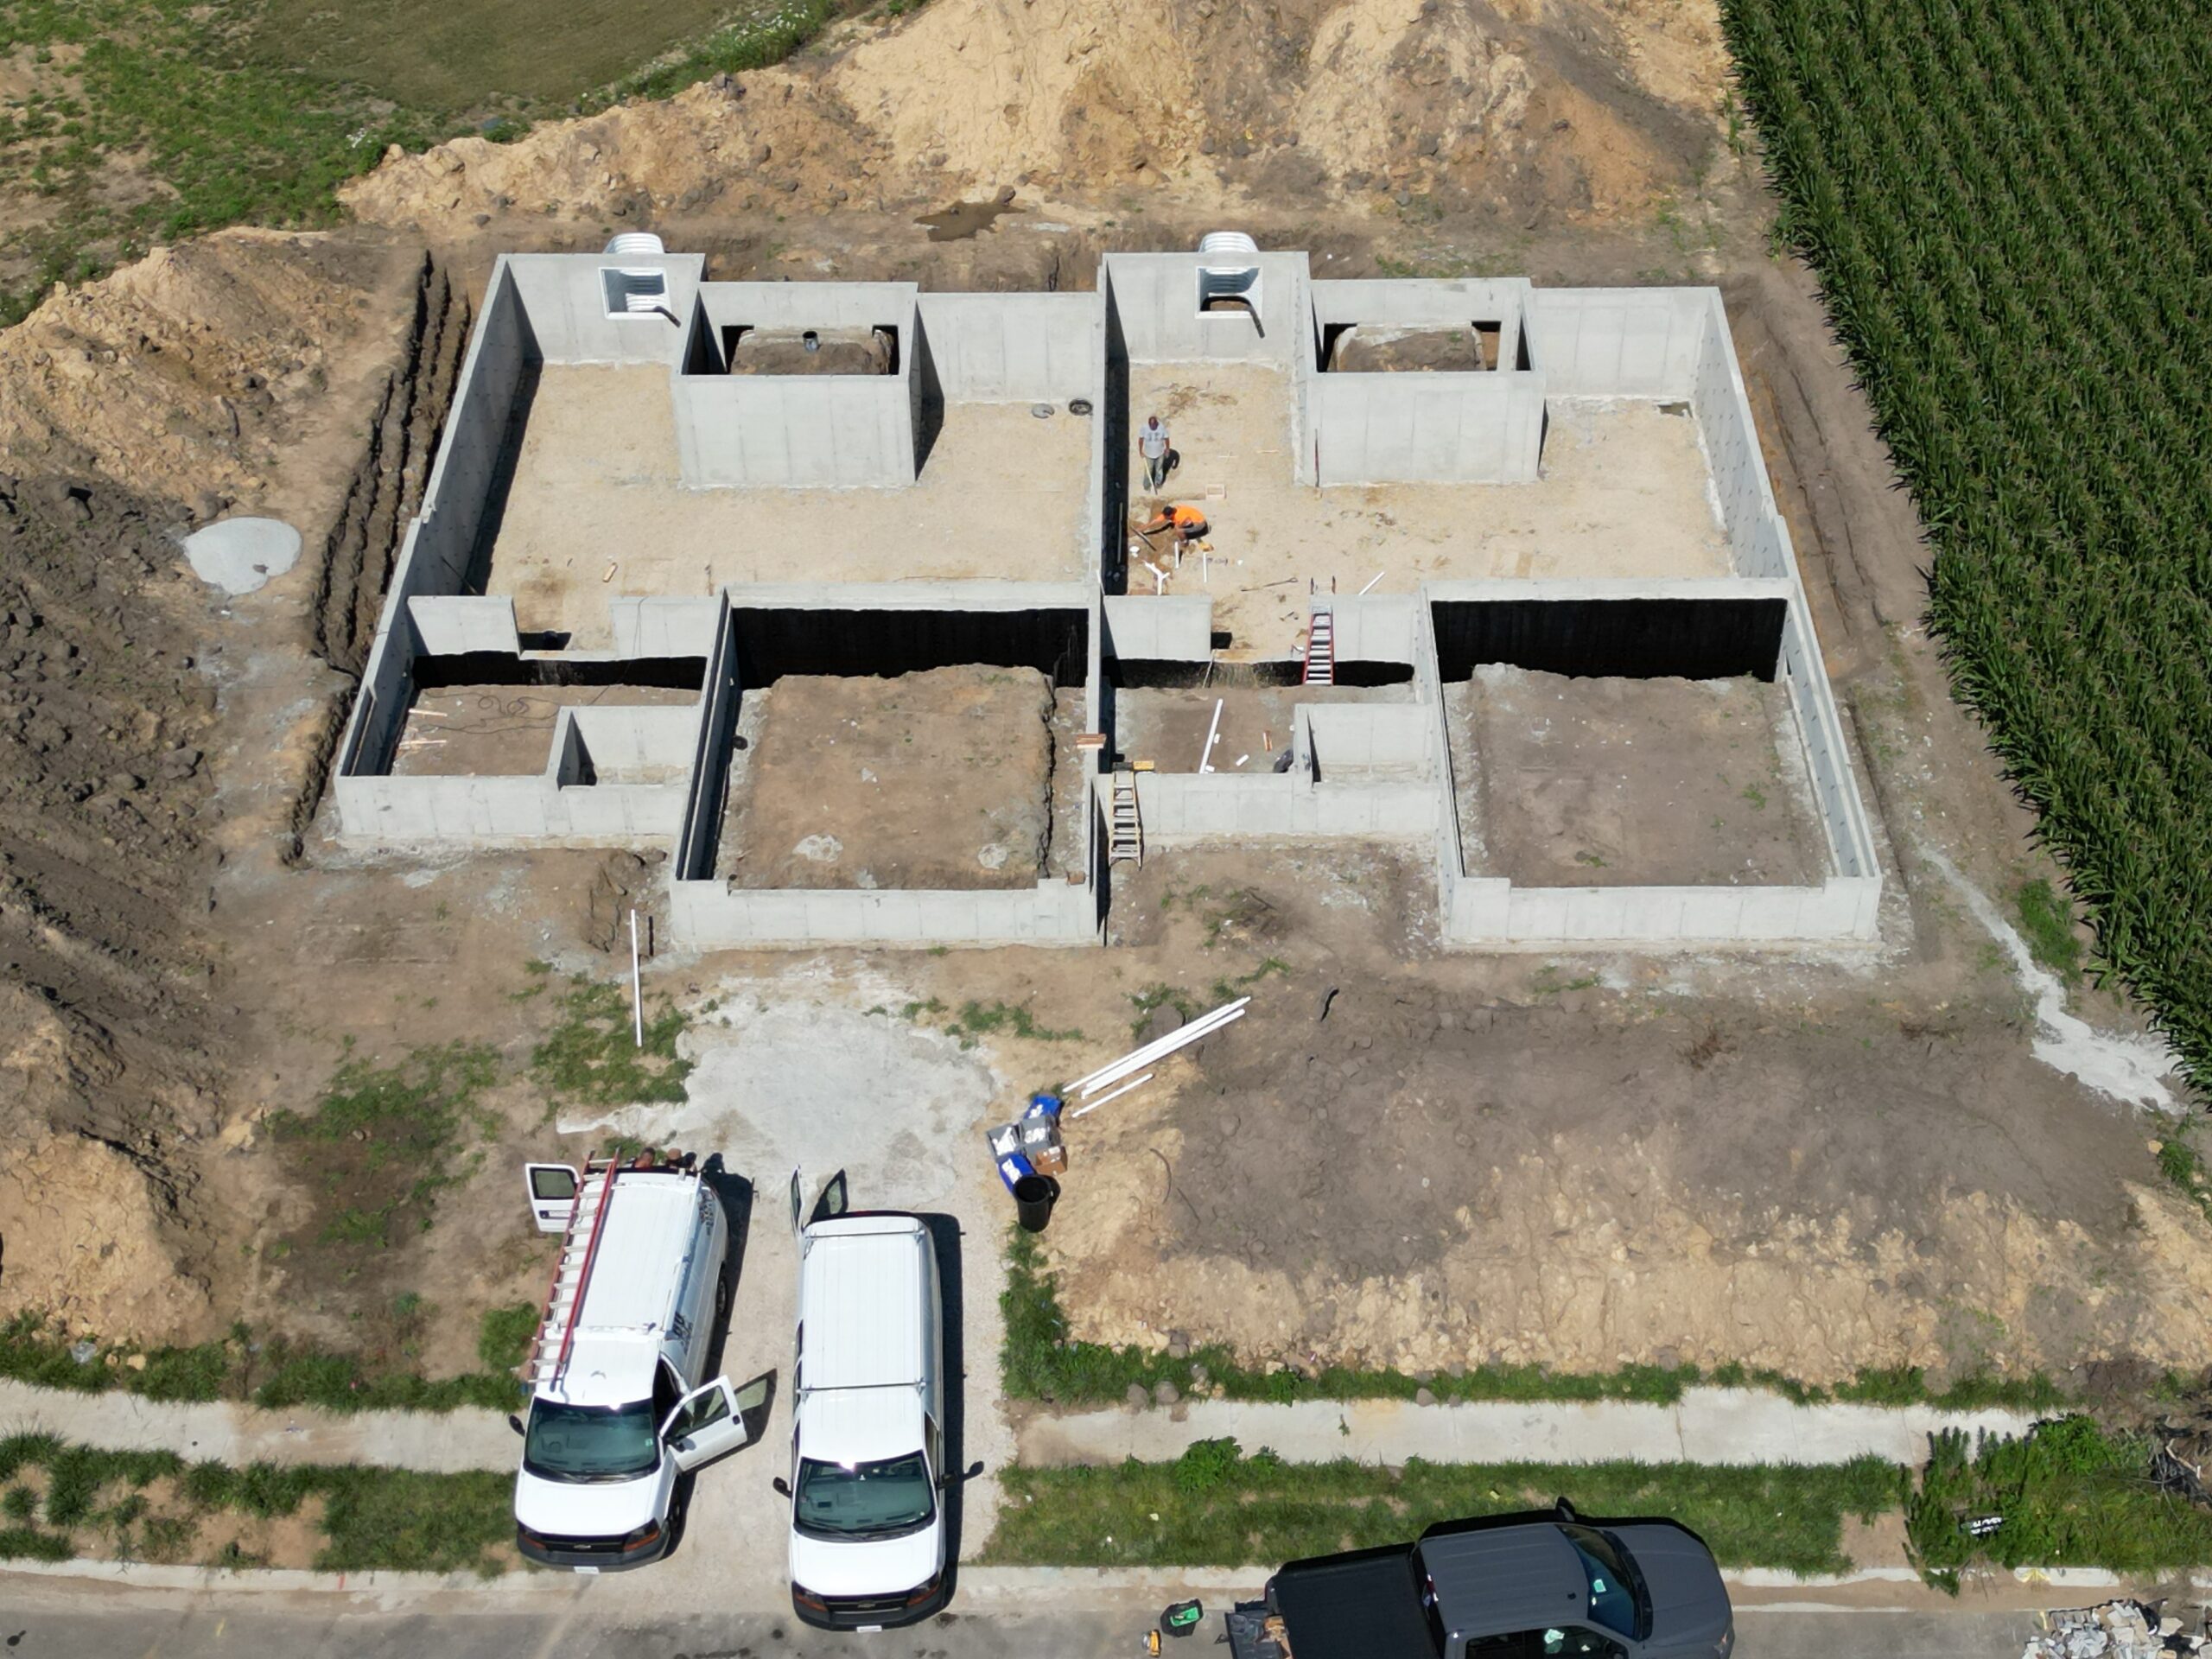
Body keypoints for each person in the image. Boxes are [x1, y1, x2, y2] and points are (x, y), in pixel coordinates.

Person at [1139, 503, 1209, 542]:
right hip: (1193, 519)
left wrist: (1178, 526)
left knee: (1179, 531)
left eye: (1167, 517)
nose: (1165, 518)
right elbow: (1156, 521)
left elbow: (1188, 521)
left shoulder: (1180, 516)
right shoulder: (1169, 512)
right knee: (1176, 527)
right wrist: (1145, 527)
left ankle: (1184, 542)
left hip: (1200, 524)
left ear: (1171, 515)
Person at [1139, 414, 1172, 491]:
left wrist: (1167, 449)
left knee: (1159, 470)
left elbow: (1166, 438)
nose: (1153, 427)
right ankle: (1147, 486)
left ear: (1156, 424)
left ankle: (1158, 483)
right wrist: (1140, 451)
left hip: (1160, 453)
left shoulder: (1162, 428)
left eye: (1154, 426)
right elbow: (1141, 439)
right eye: (1151, 426)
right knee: (1148, 471)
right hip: (1148, 454)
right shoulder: (1144, 428)